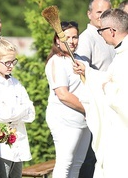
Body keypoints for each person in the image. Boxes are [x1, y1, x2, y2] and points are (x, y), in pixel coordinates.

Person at [74, 8, 128, 178]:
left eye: (101, 31)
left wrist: (105, 87)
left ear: (111, 31)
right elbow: (110, 79)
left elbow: (121, 95)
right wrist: (88, 72)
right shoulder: (121, 54)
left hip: (122, 130)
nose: (100, 34)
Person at [0, 37, 35, 178]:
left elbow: (31, 112)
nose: (11, 66)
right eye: (7, 62)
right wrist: (21, 110)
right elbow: (3, 115)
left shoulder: (15, 82)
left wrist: (16, 112)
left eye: (13, 61)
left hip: (18, 142)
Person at [45, 21, 91, 178]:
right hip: (65, 119)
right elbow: (63, 94)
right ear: (58, 39)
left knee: (77, 164)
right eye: (67, 37)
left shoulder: (80, 60)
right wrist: (88, 109)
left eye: (75, 37)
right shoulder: (56, 62)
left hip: (84, 120)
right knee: (65, 163)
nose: (72, 41)